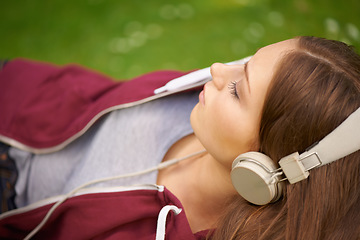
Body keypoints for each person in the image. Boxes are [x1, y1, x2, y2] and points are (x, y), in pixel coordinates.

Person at [0, 36, 359, 239]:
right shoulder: (193, 101)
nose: (218, 70)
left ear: (269, 168)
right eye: (246, 62)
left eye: (238, 89)